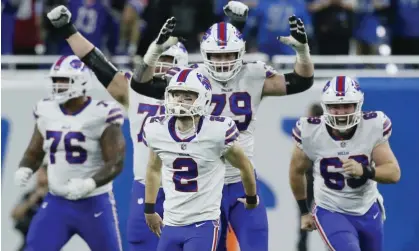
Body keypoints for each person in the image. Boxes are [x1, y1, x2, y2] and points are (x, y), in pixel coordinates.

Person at [130, 2, 314, 250]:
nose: (223, 62)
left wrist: (303, 52)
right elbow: (141, 85)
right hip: (206, 187)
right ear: (205, 54)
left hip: (240, 179)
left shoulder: (253, 75)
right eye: (216, 56)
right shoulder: (193, 77)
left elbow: (301, 82)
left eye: (229, 55)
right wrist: (154, 51)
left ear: (241, 53)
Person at [45, 5, 190, 250]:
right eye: (160, 59)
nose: (163, 67)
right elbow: (96, 62)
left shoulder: (200, 96)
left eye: (170, 60)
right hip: (147, 186)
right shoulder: (134, 90)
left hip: (189, 187)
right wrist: (68, 30)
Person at [14, 55, 126, 251]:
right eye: (55, 81)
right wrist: (25, 167)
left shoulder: (101, 113)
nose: (58, 86)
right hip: (57, 201)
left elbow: (115, 161)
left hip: (94, 202)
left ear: (81, 81)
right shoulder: (46, 110)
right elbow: (34, 152)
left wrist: (88, 183)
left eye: (64, 81)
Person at [142, 68, 259, 251]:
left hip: (202, 223)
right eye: (176, 95)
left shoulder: (217, 132)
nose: (180, 101)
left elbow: (244, 166)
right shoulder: (157, 129)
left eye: (188, 96)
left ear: (204, 98)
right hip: (171, 222)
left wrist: (251, 197)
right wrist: (149, 209)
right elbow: (153, 169)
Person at [289, 76, 401, 251]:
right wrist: (304, 211)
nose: (341, 112)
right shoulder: (310, 131)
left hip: (368, 208)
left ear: (358, 104)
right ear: (326, 107)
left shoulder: (373, 126)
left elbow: (393, 173)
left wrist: (365, 171)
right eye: (335, 106)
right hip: (331, 210)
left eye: (347, 105)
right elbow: (296, 171)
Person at [297, 103, 323, 251]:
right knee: (305, 223)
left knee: (304, 223)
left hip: (315, 182)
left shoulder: (310, 135)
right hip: (315, 182)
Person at [12, 165, 48, 251]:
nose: (38, 176)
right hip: (28, 242)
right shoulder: (30, 195)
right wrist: (31, 201)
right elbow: (15, 214)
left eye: (41, 174)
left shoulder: (55, 198)